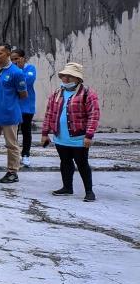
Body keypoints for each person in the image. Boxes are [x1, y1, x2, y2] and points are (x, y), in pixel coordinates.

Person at [41, 62, 100, 202]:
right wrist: (45, 133)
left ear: (78, 79)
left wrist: (89, 135)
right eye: (64, 76)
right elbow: (49, 113)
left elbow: (94, 115)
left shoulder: (87, 93)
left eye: (70, 76)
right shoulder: (57, 93)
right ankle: (67, 187)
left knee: (82, 163)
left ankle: (89, 191)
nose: (65, 79)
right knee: (65, 162)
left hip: (79, 137)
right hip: (60, 137)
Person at [0, 44, 27, 183]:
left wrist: (7, 102)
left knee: (11, 144)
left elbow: (23, 94)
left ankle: (12, 172)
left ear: (8, 53)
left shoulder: (16, 72)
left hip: (9, 115)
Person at [11, 48, 37, 167]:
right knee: (13, 132)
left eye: (16, 59)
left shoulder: (30, 69)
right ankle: (14, 156)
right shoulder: (11, 70)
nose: (14, 61)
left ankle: (25, 155)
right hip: (14, 106)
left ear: (23, 58)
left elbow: (27, 82)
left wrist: (19, 71)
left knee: (26, 131)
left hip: (27, 106)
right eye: (12, 59)